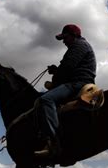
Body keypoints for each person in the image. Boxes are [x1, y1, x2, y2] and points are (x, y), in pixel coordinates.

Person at [35, 24, 96, 158]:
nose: (63, 41)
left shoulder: (78, 46)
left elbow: (66, 70)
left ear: (73, 35)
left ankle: (53, 142)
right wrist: (56, 71)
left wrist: (56, 76)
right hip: (78, 80)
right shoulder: (80, 46)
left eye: (65, 37)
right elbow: (67, 69)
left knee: (46, 99)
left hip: (78, 83)